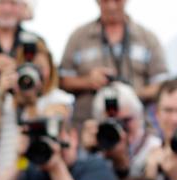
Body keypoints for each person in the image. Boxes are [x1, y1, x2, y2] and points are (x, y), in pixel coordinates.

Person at [59, 0, 168, 130]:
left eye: (117, 0)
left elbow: (163, 85)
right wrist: (88, 81)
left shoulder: (147, 38)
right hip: (89, 130)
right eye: (105, 1)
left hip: (135, 132)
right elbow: (61, 80)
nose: (111, 6)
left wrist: (131, 93)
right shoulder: (78, 38)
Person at [0, 34, 74, 180]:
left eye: (39, 68)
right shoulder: (7, 101)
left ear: (50, 68)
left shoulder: (58, 98)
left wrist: (32, 102)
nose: (32, 73)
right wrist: (0, 94)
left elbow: (54, 119)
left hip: (38, 178)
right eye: (27, 66)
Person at [81, 81, 154, 180]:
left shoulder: (152, 148)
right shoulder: (97, 149)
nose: (119, 129)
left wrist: (121, 162)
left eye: (125, 121)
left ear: (139, 116)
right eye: (110, 122)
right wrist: (86, 153)